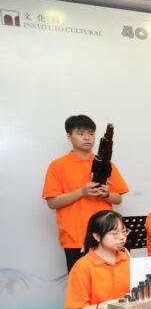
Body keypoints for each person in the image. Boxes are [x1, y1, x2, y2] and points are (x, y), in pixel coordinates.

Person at [43, 115, 129, 271]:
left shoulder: (107, 164)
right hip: (75, 238)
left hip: (106, 235)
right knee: (81, 282)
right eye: (80, 133)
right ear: (69, 136)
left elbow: (118, 199)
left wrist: (106, 194)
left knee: (110, 281)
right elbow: (52, 202)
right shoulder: (57, 166)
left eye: (91, 133)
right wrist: (81, 192)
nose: (87, 138)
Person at [64, 210, 130, 309]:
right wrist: (104, 306)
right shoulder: (83, 266)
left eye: (124, 231)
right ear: (97, 236)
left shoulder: (129, 259)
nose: (122, 237)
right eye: (114, 234)